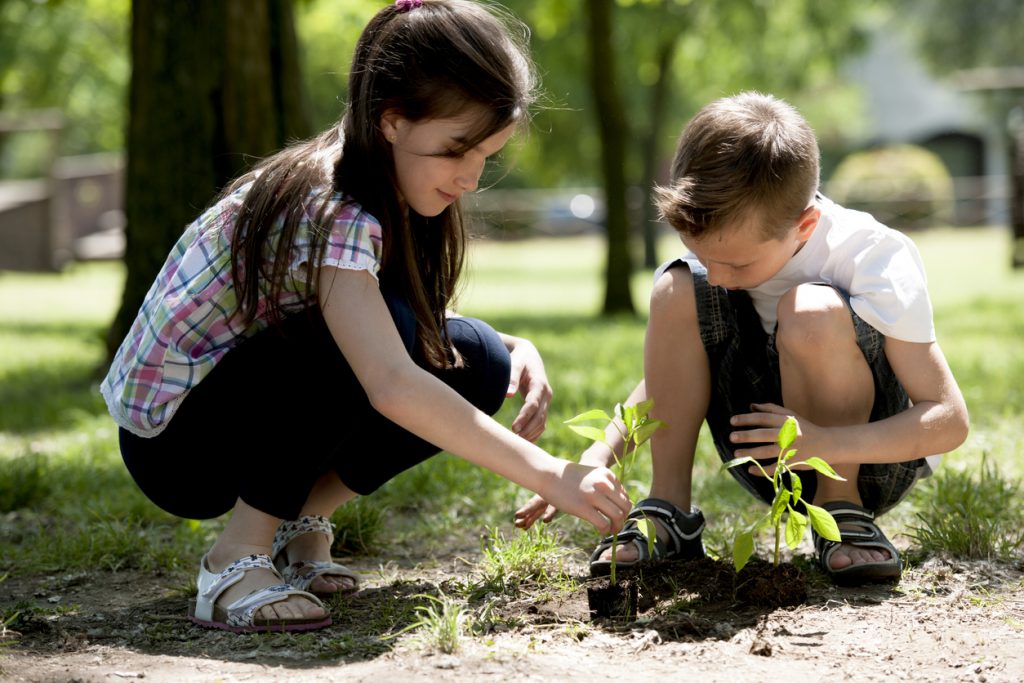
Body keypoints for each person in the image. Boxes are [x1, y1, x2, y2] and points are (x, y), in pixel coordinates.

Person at [101, 0, 631, 634]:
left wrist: (510, 345)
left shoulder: (383, 190)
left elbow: (398, 326)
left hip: (232, 415)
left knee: (480, 357)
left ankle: (297, 525)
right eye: (455, 150)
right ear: (391, 122)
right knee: (383, 351)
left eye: (485, 153)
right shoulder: (332, 207)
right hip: (176, 446)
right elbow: (387, 377)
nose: (469, 176)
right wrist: (551, 474)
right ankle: (234, 560)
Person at [515, 91, 969, 586]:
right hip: (763, 448)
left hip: (868, 456)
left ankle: (842, 512)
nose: (722, 277)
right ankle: (670, 508)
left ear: (806, 225)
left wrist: (825, 442)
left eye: (738, 263)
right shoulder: (724, 257)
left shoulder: (873, 257)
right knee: (677, 286)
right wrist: (598, 455)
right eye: (706, 254)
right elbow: (667, 381)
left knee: (809, 307)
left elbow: (948, 420)